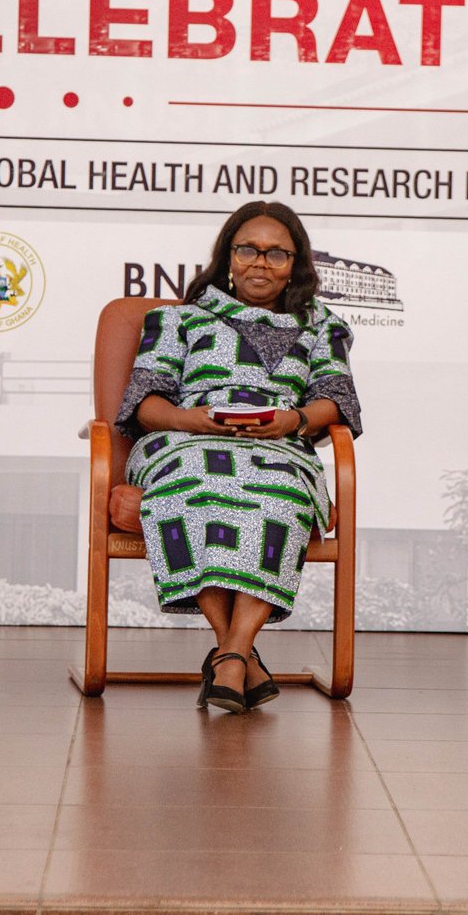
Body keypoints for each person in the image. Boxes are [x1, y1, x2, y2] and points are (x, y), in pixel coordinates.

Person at [115, 201, 362, 713]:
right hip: (185, 441)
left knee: (277, 494)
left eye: (277, 254)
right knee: (192, 484)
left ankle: (229, 654)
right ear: (228, 255)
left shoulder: (321, 327)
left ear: (296, 264)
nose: (260, 262)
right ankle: (238, 656)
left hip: (278, 444)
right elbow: (145, 403)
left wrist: (291, 421)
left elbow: (336, 399)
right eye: (248, 249)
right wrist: (195, 419)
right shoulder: (176, 319)